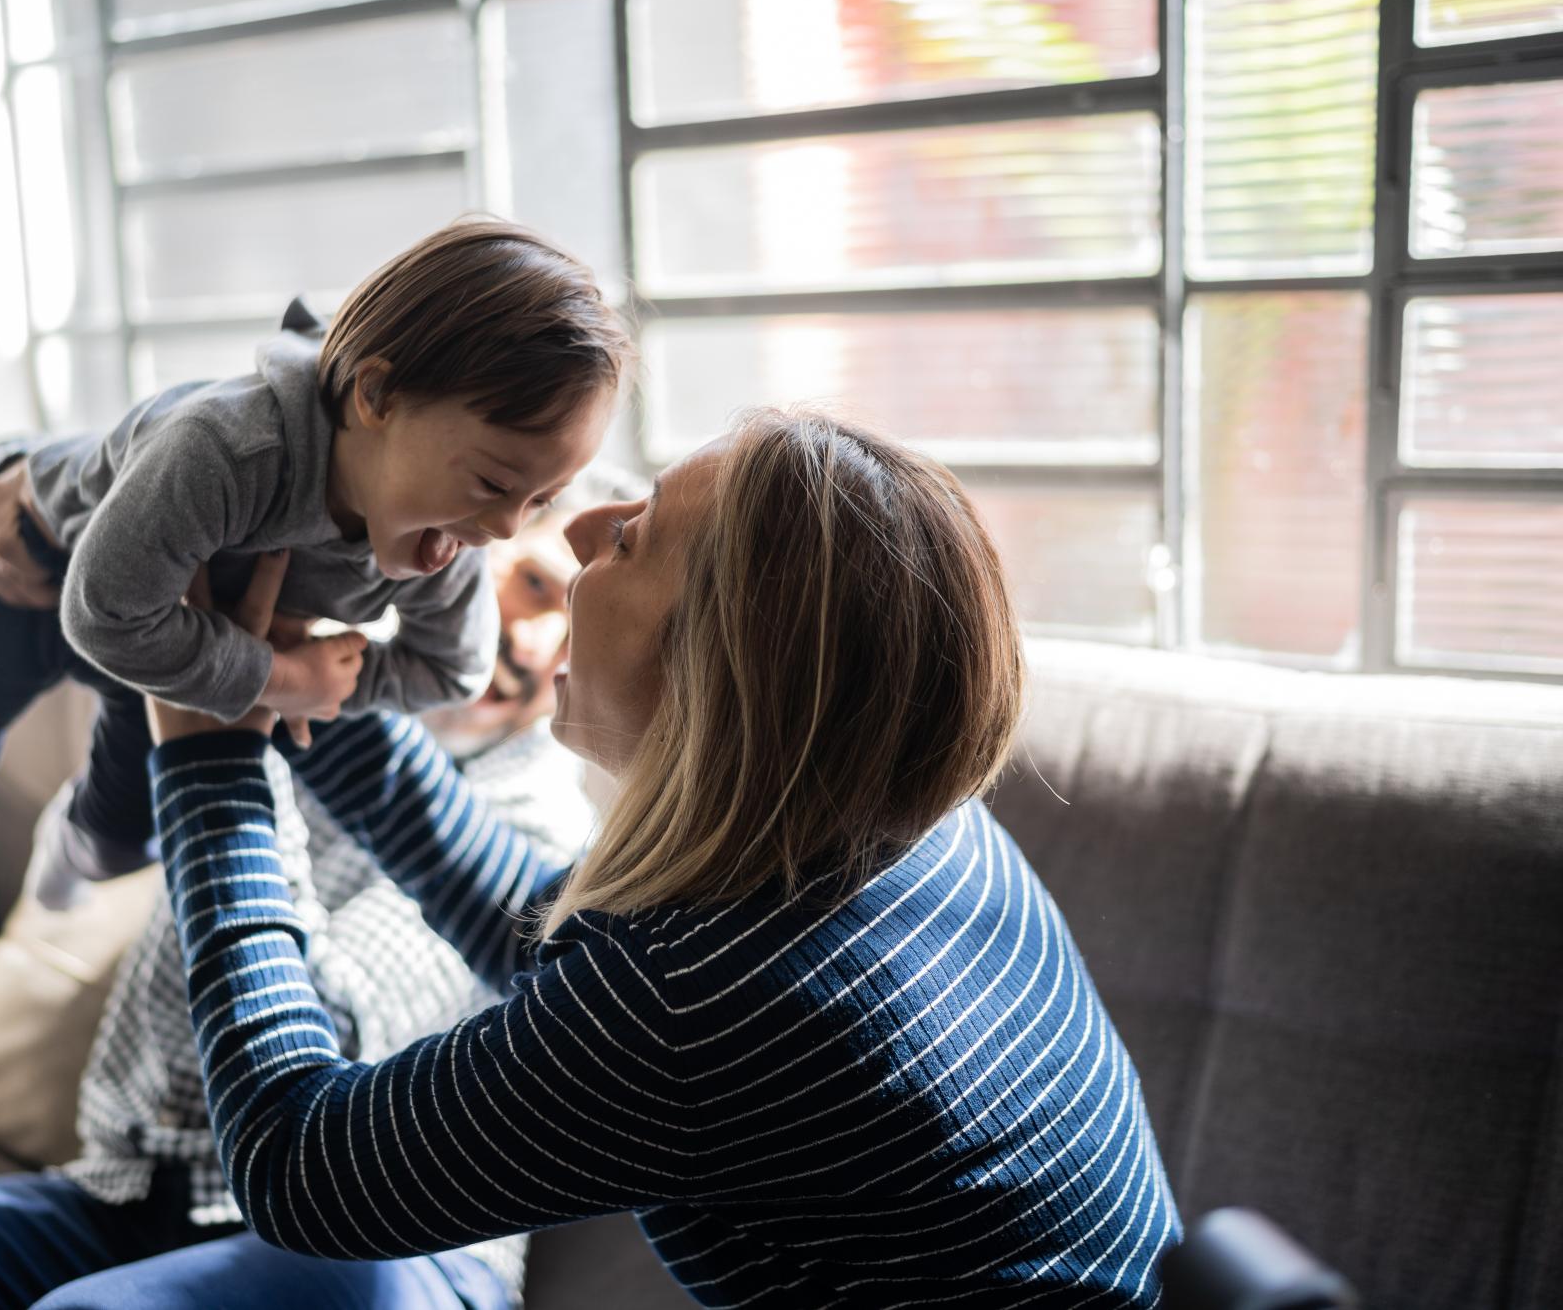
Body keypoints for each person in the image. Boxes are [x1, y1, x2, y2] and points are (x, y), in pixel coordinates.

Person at [141, 410, 1181, 1308]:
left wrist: (207, 754)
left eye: (631, 540)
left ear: (709, 679)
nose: (583, 525)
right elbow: (529, 923)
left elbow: (299, 1168)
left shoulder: (703, 992)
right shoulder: (898, 823)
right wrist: (303, 678)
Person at [0, 480, 610, 1310]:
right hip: (122, 1189)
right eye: (528, 582)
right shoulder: (299, 666)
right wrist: (36, 514)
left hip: (379, 1244)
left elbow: (320, 1056)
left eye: (564, 628)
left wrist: (232, 745)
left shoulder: (535, 837)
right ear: (453, 558)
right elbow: (123, 520)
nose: (530, 640)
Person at [0, 217, 628, 910]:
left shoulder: (449, 539)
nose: (500, 528)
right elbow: (102, 613)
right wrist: (281, 678)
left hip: (181, 653)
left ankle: (68, 846)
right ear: (377, 396)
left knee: (120, 838)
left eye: (537, 501)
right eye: (494, 483)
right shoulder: (227, 449)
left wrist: (328, 673)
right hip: (64, 567)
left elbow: (450, 668)